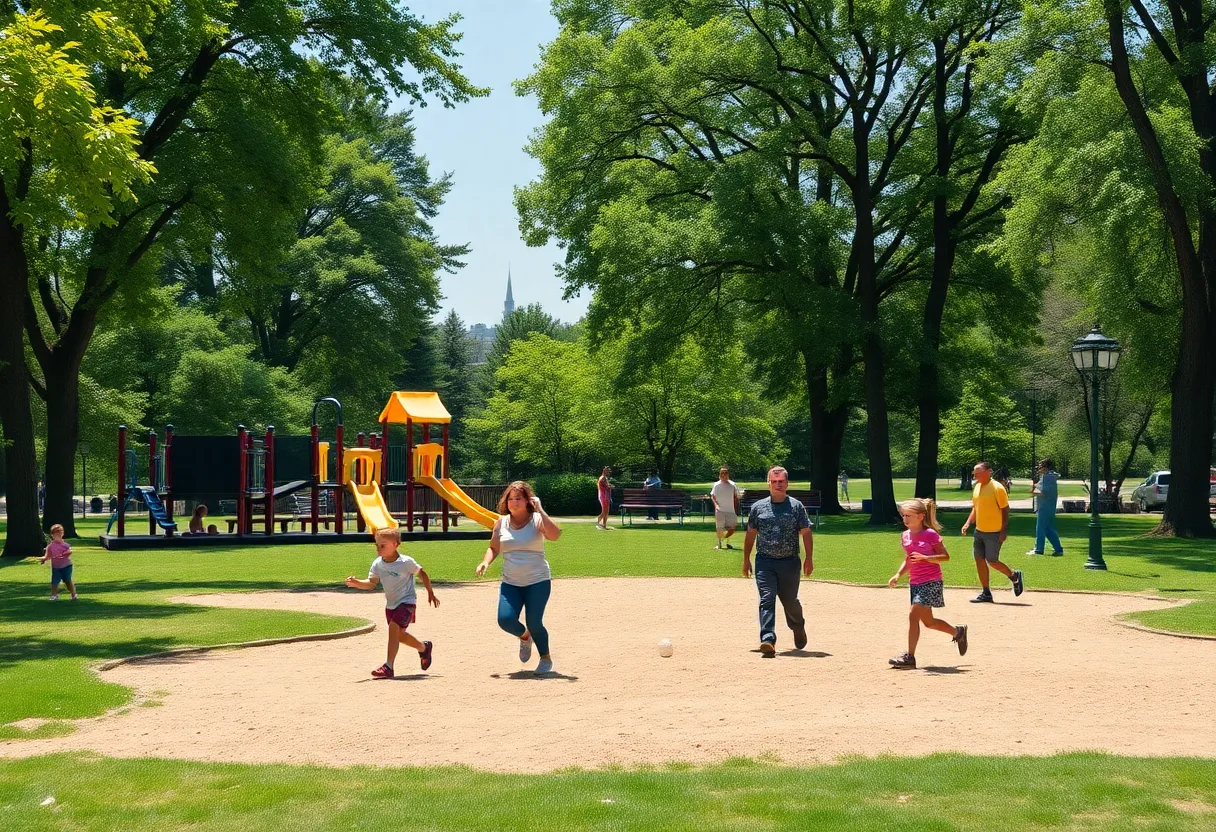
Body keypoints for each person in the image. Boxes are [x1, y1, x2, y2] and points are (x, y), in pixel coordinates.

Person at [477, 481, 562, 675]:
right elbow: (494, 547)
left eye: (519, 498)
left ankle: (545, 658)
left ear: (527, 501)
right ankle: (525, 638)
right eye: (510, 499)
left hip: (538, 581)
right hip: (511, 583)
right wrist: (485, 562)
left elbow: (555, 535)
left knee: (534, 622)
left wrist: (540, 510)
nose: (514, 502)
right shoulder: (501, 522)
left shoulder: (536, 519)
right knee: (505, 620)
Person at [344, 527, 438, 679]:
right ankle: (423, 647)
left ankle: (388, 667)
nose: (378, 548)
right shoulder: (377, 564)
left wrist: (430, 592)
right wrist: (357, 583)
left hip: (407, 602)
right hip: (391, 605)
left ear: (395, 545)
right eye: (377, 545)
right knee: (399, 635)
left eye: (383, 545)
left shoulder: (405, 562)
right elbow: (371, 583)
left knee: (394, 629)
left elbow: (422, 573)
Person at [887, 499, 968, 669]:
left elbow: (945, 557)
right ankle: (957, 632)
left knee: (913, 615)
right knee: (929, 622)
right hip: (915, 582)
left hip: (931, 582)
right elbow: (910, 559)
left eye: (909, 516)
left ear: (921, 516)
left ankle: (910, 658)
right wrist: (898, 574)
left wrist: (926, 558)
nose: (905, 519)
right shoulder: (905, 536)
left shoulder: (930, 534)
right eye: (904, 516)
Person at [742, 466, 814, 656]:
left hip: (790, 562)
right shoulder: (758, 507)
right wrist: (745, 559)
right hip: (765, 562)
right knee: (766, 599)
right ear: (768, 484)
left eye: (781, 481)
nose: (778, 485)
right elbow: (750, 534)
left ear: (787, 483)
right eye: (774, 482)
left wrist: (809, 558)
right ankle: (767, 639)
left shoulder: (796, 506)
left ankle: (798, 626)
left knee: (790, 602)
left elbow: (806, 532)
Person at [961, 461, 1024, 603]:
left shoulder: (997, 488)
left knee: (992, 561)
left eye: (978, 473)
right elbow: (976, 507)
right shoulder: (977, 487)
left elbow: (1005, 509)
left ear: (988, 471)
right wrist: (967, 522)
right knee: (979, 560)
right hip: (979, 531)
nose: (975, 475)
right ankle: (986, 592)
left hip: (994, 532)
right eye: (974, 473)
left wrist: (1003, 529)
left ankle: (1014, 576)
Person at [1028, 458, 1064, 556]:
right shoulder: (1049, 476)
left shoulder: (1047, 477)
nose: (1038, 468)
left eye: (1040, 466)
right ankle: (1058, 549)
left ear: (1045, 467)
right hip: (1048, 506)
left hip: (1045, 506)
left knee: (1040, 528)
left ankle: (1038, 549)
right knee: (1048, 529)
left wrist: (1032, 492)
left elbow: (1044, 492)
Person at [39, 523, 76, 601]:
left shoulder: (65, 545)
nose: (58, 536)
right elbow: (47, 556)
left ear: (62, 534)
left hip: (66, 566)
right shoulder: (50, 546)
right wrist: (44, 559)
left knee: (67, 581)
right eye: (56, 534)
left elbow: (69, 552)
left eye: (60, 534)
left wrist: (64, 554)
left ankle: (73, 594)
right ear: (52, 535)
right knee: (54, 582)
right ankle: (54, 595)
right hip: (56, 567)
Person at [710, 467, 740, 550]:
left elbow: (736, 497)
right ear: (719, 474)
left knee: (732, 529)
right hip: (720, 510)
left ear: (728, 474)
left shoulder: (733, 485)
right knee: (719, 528)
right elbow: (712, 496)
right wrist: (716, 505)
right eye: (722, 473)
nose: (724, 475)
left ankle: (724, 540)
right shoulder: (716, 485)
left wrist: (736, 508)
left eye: (725, 473)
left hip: (731, 510)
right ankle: (719, 544)